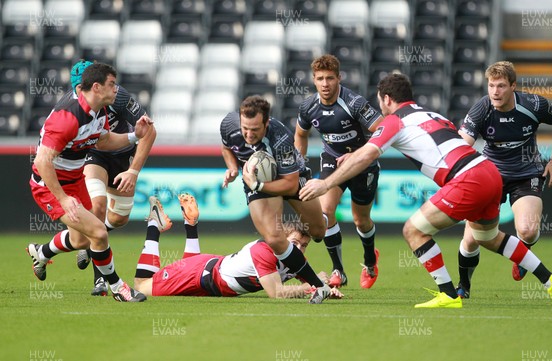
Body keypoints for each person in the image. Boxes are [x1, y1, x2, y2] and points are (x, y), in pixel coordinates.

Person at [299, 73, 552, 308]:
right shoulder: (430, 114)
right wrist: (358, 153)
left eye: (380, 101)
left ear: (386, 99)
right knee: (487, 237)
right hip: (488, 171)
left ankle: (448, 294)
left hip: (467, 178)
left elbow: (368, 155)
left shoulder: (394, 121)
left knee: (413, 230)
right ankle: (550, 280)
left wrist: (325, 183)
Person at [27, 62, 152, 302]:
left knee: (80, 240)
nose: (117, 89)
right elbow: (43, 161)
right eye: (112, 84)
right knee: (99, 232)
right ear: (96, 86)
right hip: (50, 185)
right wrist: (64, 199)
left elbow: (103, 141)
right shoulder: (67, 117)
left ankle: (41, 252)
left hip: (74, 180)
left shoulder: (98, 109)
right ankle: (118, 287)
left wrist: (135, 135)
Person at [456, 61, 552, 296]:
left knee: (527, 230)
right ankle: (464, 287)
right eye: (491, 86)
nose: (495, 92)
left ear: (513, 87)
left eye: (501, 86)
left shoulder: (533, 104)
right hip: (490, 176)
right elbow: (462, 144)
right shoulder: (481, 109)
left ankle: (522, 255)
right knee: (471, 240)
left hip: (526, 174)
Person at [220, 95, 331, 303]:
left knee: (318, 232)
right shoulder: (228, 124)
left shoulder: (281, 138)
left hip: (289, 177)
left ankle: (323, 217)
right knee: (274, 238)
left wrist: (258, 185)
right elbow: (226, 148)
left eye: (255, 129)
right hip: (257, 180)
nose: (248, 134)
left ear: (266, 123)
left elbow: (289, 184)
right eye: (245, 128)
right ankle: (319, 286)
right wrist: (233, 167)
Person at [134, 193, 344, 300]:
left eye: (304, 245)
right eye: (295, 243)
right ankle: (154, 225)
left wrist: (325, 288)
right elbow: (276, 293)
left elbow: (313, 280)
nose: (298, 249)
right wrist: (311, 287)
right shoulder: (264, 251)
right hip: (201, 274)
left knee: (182, 270)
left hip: (208, 275)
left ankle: (191, 225)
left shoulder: (294, 258)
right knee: (141, 287)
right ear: (282, 238)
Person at [65, 60, 157, 297]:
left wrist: (133, 172)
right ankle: (101, 281)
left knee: (117, 220)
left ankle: (44, 252)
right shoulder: (71, 107)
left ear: (94, 86)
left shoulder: (117, 96)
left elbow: (150, 131)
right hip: (94, 155)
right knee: (97, 206)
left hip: (122, 155)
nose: (78, 93)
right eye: (75, 88)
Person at [294, 54, 383, 289]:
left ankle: (370, 262)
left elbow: (383, 129)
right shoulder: (308, 107)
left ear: (339, 78)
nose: (325, 84)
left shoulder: (353, 102)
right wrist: (298, 165)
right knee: (326, 210)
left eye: (330, 78)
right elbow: (300, 135)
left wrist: (356, 155)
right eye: (320, 79)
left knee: (360, 220)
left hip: (363, 165)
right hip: (332, 162)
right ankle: (339, 271)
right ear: (314, 80)